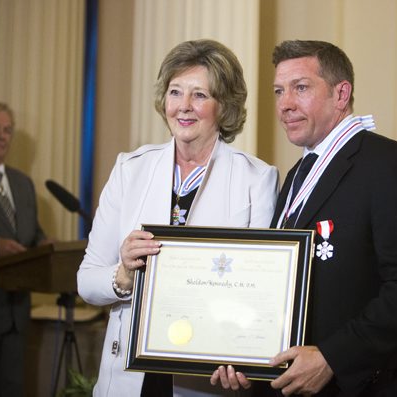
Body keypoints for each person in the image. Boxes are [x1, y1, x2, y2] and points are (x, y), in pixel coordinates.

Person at [211, 40, 397, 397]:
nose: (285, 104)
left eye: (301, 88)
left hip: (364, 386)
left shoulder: (391, 164)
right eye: (278, 91)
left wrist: (333, 358)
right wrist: (245, 353)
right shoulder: (298, 175)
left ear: (341, 93)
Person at [77, 39, 279, 396]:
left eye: (200, 95)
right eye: (175, 92)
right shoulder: (130, 168)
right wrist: (123, 274)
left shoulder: (256, 179)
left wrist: (246, 356)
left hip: (206, 378)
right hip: (127, 375)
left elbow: (261, 296)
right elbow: (87, 282)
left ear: (224, 105)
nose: (184, 107)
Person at [0, 102, 50, 396]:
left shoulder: (23, 184)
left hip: (17, 314)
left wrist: (45, 245)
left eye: (7, 130)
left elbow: (32, 234)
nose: (1, 135)